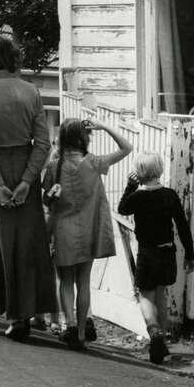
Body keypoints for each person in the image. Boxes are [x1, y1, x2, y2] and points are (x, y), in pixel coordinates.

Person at [0, 34, 57, 342]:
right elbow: (44, 143)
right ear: (13, 57)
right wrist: (26, 181)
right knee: (27, 244)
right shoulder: (30, 91)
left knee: (1, 243)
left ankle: (15, 316)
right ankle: (31, 312)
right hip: (24, 168)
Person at [42, 118, 132, 350]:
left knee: (65, 280)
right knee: (83, 282)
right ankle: (81, 332)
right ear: (83, 137)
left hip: (63, 230)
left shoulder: (54, 166)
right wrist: (104, 126)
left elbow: (46, 199)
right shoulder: (94, 163)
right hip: (89, 231)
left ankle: (69, 324)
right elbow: (127, 148)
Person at [118, 151, 194, 364]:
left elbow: (122, 209)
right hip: (167, 252)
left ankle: (154, 333)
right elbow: (182, 226)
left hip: (147, 252)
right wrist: (189, 255)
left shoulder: (137, 197)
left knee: (145, 296)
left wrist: (130, 186)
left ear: (138, 173)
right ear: (160, 170)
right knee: (161, 294)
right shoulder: (170, 195)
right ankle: (162, 342)